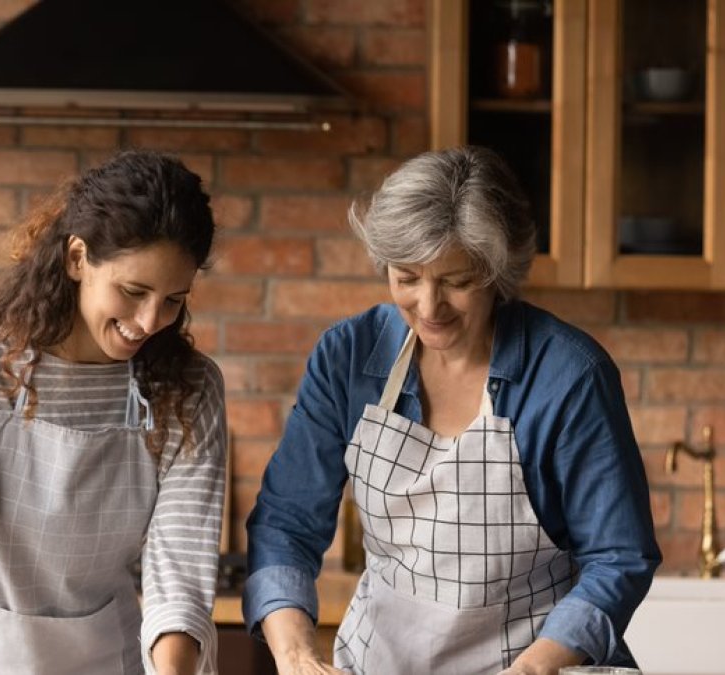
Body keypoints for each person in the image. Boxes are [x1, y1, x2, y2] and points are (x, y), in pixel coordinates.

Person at [243, 145, 661, 675]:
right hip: (382, 662)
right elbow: (287, 522)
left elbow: (618, 557)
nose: (429, 305)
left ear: (497, 270)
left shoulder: (570, 376)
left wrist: (535, 668)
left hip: (537, 661)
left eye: (457, 281)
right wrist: (296, 655)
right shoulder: (349, 356)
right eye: (407, 276)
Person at [0, 150, 227, 675]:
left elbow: (179, 566)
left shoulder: (190, 387)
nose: (150, 321)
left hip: (119, 661)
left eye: (173, 299)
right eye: (133, 291)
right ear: (78, 258)